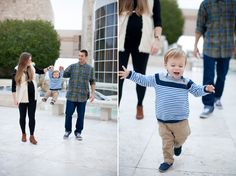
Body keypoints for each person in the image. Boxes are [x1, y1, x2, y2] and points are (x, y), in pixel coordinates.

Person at [118, 48, 215, 172]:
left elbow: (196, 91)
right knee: (167, 143)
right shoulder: (158, 78)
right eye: (173, 65)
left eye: (181, 65)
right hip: (163, 120)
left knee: (183, 135)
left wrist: (206, 89)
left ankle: (178, 145)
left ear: (185, 66)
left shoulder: (186, 82)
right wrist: (130, 74)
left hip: (181, 120)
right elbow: (144, 80)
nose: (177, 68)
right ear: (166, 66)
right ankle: (168, 160)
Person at [119, 0, 162, 119]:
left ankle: (139, 105)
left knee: (140, 76)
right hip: (122, 42)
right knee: (120, 76)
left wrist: (157, 40)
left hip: (142, 42)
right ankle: (116, 108)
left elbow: (158, 20)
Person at [193, 0, 236, 118]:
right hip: (209, 46)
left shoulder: (233, 3)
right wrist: (195, 45)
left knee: (222, 76)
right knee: (208, 77)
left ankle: (217, 97)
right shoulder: (205, 4)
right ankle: (208, 105)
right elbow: (199, 26)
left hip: (227, 47)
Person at [12, 52, 49, 145]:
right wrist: (15, 99)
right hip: (22, 97)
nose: (31, 61)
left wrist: (48, 68)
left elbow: (40, 71)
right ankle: (23, 134)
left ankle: (32, 136)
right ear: (25, 60)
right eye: (29, 59)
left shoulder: (32, 67)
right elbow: (13, 87)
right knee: (22, 117)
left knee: (32, 117)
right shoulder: (17, 70)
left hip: (33, 97)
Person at [63, 50, 95, 140]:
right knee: (68, 114)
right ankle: (67, 131)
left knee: (81, 116)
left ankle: (78, 132)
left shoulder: (90, 68)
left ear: (86, 57)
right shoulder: (72, 67)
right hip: (71, 95)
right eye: (79, 55)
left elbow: (92, 81)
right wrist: (61, 70)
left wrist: (93, 93)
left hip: (83, 96)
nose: (80, 57)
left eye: (82, 56)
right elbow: (64, 74)